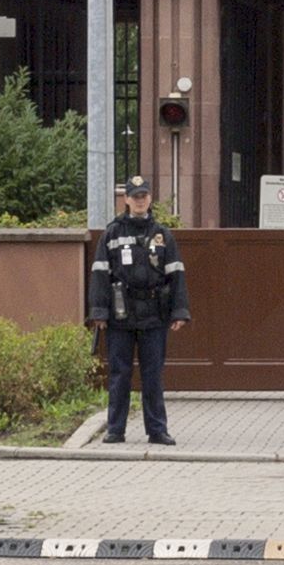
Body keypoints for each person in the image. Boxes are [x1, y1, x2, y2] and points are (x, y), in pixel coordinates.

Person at [86, 174, 190, 448]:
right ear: (126, 200)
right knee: (119, 373)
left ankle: (157, 430)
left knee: (153, 374)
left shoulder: (163, 235)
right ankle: (115, 429)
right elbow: (99, 274)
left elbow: (176, 274)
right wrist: (99, 312)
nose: (140, 200)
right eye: (135, 196)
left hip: (154, 314)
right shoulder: (112, 234)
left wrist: (179, 312)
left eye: (144, 196)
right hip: (121, 314)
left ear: (150, 199)